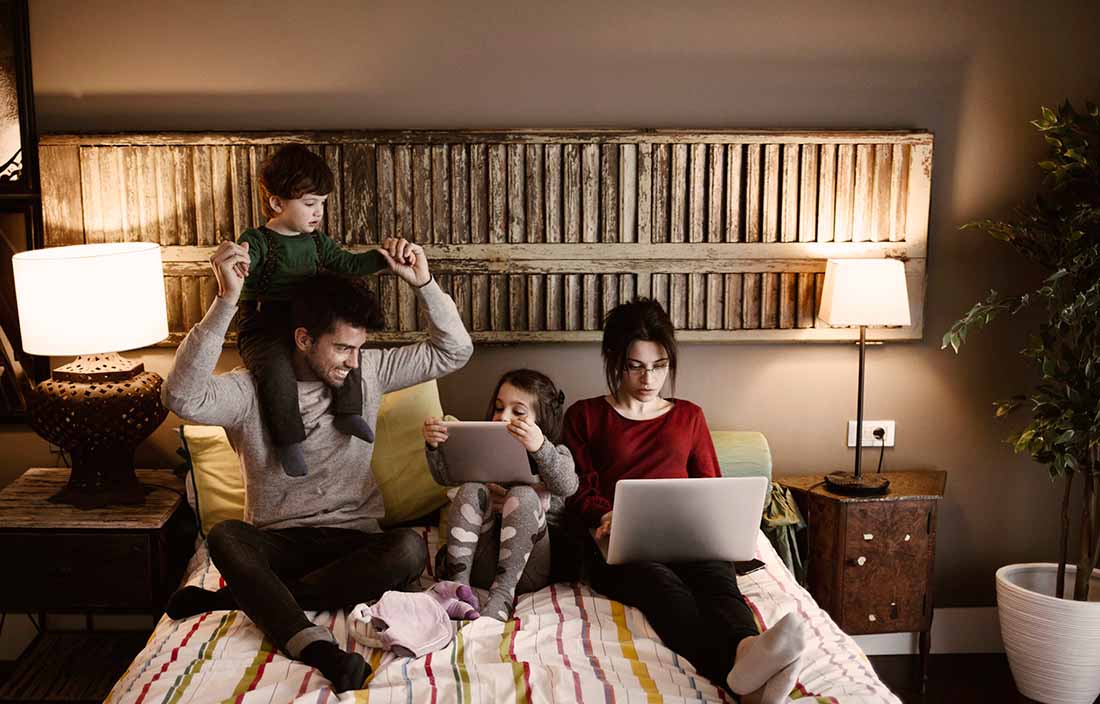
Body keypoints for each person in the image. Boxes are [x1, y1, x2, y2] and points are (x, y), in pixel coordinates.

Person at [160, 236, 473, 692]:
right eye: (343, 348)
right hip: (277, 543)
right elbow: (181, 396)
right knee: (226, 537)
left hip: (354, 544)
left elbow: (454, 352)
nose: (354, 361)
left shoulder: (369, 372)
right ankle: (315, 647)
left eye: (360, 348)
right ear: (303, 339)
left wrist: (423, 282)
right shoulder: (249, 390)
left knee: (407, 548)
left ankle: (240, 599)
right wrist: (227, 299)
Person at [563, 298, 807, 704]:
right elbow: (575, 487)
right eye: (636, 366)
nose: (649, 378)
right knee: (665, 590)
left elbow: (712, 486)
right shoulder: (584, 416)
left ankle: (748, 650)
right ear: (613, 359)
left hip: (688, 537)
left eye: (659, 366)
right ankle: (740, 674)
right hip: (620, 543)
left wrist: (717, 528)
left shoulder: (689, 416)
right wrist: (605, 513)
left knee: (718, 581)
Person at [237, 144, 388, 477]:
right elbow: (246, 260)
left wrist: (383, 257)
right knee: (276, 372)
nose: (318, 212)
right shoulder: (260, 240)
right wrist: (240, 261)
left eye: (322, 203)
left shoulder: (317, 242)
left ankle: (348, 412)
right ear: (277, 203)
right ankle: (289, 441)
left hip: (305, 320)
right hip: (264, 324)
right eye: (309, 204)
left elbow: (349, 264)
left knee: (346, 356)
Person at [422, 370, 578, 620]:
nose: (503, 417)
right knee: (471, 489)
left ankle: (502, 596)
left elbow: (568, 485)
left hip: (528, 570)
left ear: (541, 421)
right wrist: (435, 447)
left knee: (524, 496)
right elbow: (446, 478)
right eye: (498, 408)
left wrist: (539, 447)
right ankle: (457, 588)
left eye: (517, 412)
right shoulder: (482, 451)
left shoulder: (556, 453)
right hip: (478, 564)